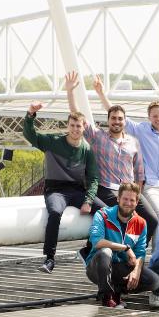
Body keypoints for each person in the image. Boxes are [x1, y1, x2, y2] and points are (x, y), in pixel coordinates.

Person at [65, 72, 158, 245]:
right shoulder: (98, 137)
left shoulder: (133, 142)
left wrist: (136, 194)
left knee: (152, 220)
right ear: (108, 120)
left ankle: (133, 250)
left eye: (120, 119)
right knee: (116, 218)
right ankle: (111, 251)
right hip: (106, 188)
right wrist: (70, 92)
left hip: (129, 189)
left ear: (125, 121)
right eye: (113, 118)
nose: (117, 121)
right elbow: (76, 116)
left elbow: (139, 173)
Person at [93, 76, 159, 219]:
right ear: (149, 117)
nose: (158, 119)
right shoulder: (141, 130)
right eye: (154, 116)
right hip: (151, 187)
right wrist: (101, 94)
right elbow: (117, 116)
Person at [23, 102, 101, 274]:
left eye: (78, 126)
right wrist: (30, 114)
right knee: (55, 213)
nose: (75, 129)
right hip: (55, 190)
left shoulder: (87, 150)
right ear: (68, 126)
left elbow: (93, 178)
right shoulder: (53, 142)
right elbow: (30, 135)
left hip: (77, 190)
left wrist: (88, 200)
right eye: (72, 125)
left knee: (105, 212)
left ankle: (88, 248)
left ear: (83, 127)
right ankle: (50, 258)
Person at [84, 182, 159, 308]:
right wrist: (126, 248)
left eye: (132, 200)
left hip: (120, 266)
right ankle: (107, 298)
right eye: (125, 199)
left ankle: (116, 292)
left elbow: (140, 253)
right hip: (97, 267)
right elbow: (97, 242)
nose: (128, 203)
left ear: (137, 203)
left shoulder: (141, 223)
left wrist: (136, 270)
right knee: (105, 251)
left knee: (154, 281)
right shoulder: (103, 214)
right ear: (118, 198)